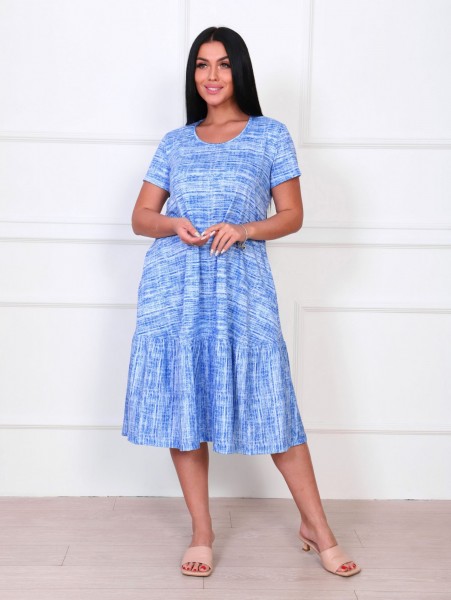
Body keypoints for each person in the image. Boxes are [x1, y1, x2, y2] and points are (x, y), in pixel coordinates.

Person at [122, 26, 361, 579]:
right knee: (185, 408)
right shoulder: (176, 142)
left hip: (242, 285)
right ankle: (202, 533)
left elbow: (292, 214)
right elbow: (140, 217)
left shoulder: (269, 134)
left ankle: (318, 528)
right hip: (175, 285)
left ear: (240, 72)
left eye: (223, 64)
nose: (211, 75)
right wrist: (173, 223)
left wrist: (247, 229)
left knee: (273, 403)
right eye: (202, 65)